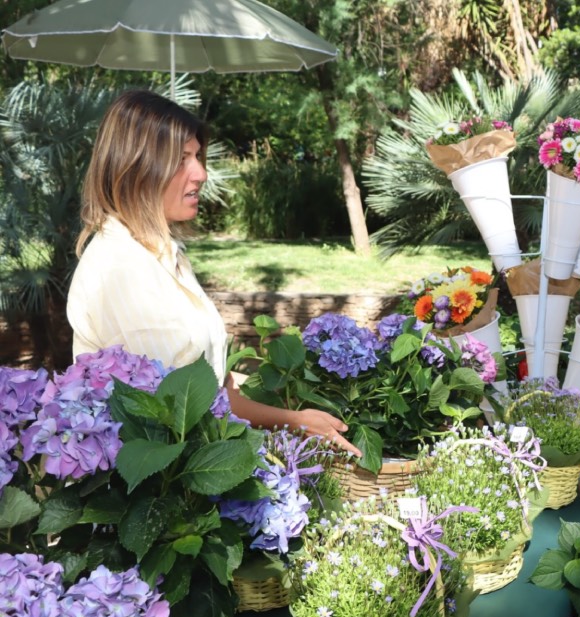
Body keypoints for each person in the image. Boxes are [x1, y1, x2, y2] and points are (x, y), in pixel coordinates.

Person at [67, 89, 360, 457]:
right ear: (135, 167)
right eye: (181, 160)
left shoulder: (161, 254)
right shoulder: (122, 269)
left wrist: (290, 410)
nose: (201, 173)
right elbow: (179, 413)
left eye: (197, 157)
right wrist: (293, 419)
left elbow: (212, 390)